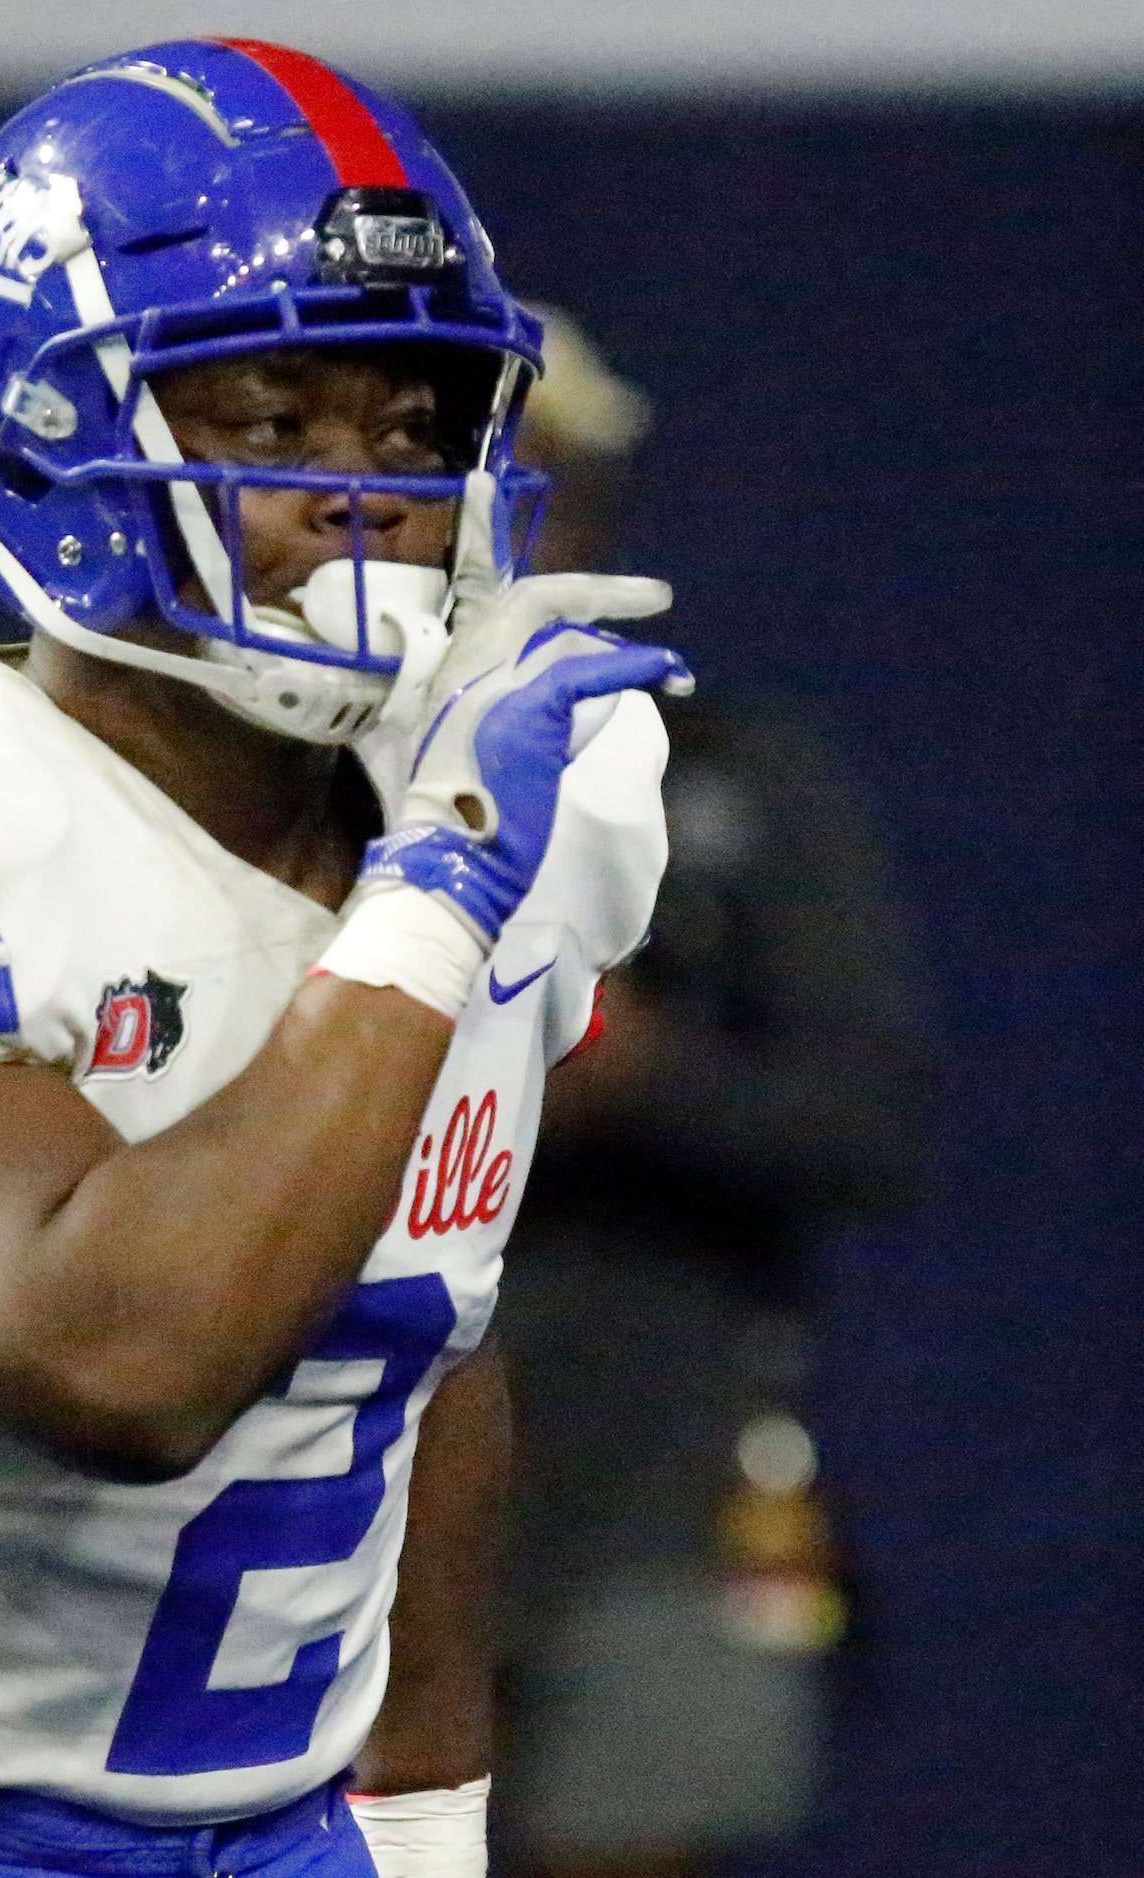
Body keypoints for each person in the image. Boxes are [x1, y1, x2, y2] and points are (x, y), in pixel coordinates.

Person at [0, 40, 693, 1878]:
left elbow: (428, 1338)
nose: (363, 492)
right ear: (38, 429)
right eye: (269, 424)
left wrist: (427, 1819)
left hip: (280, 1826)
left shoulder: (538, 790)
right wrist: (434, 889)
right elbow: (125, 1365)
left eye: (412, 425)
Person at [486, 311, 929, 1878]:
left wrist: (628, 1067)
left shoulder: (736, 779)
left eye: (545, 476)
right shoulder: (272, 790)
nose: (506, 521)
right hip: (324, 1510)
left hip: (658, 1487)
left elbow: (862, 1120)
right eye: (465, 475)